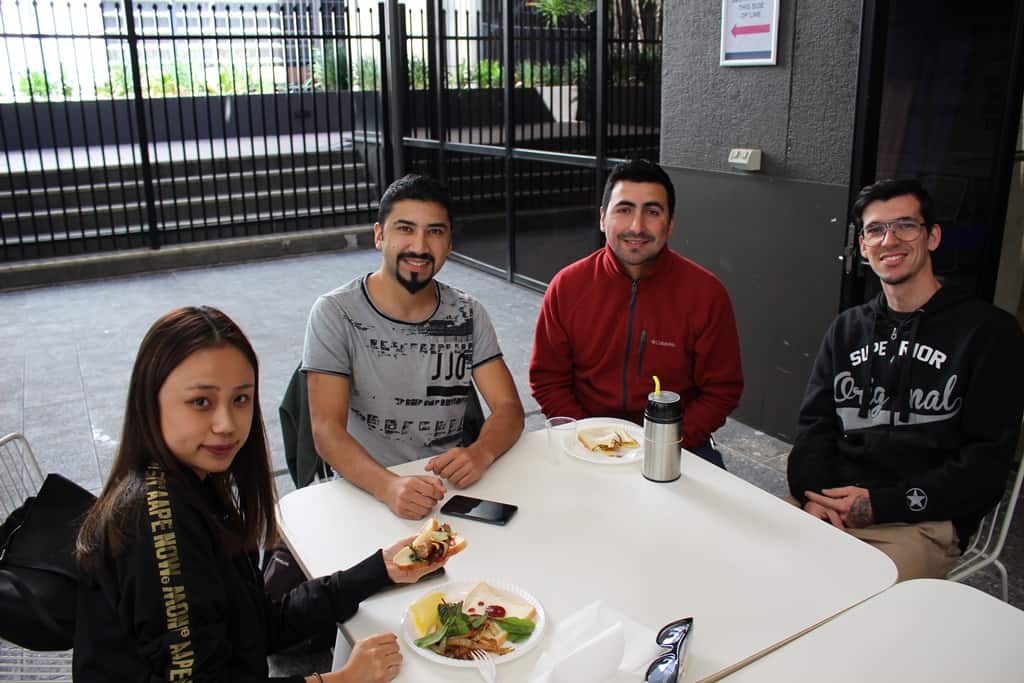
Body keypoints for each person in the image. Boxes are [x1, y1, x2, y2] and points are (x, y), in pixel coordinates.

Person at [74, 306, 450, 682]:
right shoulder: (158, 522)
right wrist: (343, 679)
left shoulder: (197, 486)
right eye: (201, 402)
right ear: (150, 399)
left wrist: (380, 569)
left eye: (241, 399)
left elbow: (257, 626)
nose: (226, 424)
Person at [787, 178, 1024, 581]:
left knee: (848, 593)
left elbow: (984, 466)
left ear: (933, 237)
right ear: (863, 246)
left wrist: (881, 504)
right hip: (830, 503)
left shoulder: (988, 333)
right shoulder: (847, 328)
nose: (889, 240)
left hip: (919, 522)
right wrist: (814, 495)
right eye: (875, 229)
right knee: (754, 566)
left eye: (905, 225)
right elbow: (814, 426)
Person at [304, 174, 524, 519]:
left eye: (435, 232)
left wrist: (481, 452)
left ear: (449, 243)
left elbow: (509, 407)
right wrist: (388, 487)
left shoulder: (467, 312)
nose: (420, 246)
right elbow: (325, 430)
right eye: (405, 229)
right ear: (379, 235)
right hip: (367, 489)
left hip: (447, 488)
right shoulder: (336, 312)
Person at [528, 158, 743, 467]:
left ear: (670, 224)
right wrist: (590, 440)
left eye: (652, 212)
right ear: (603, 218)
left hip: (679, 444)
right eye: (624, 210)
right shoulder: (568, 286)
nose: (637, 227)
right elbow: (547, 379)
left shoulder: (706, 294)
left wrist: (664, 442)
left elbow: (722, 391)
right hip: (583, 440)